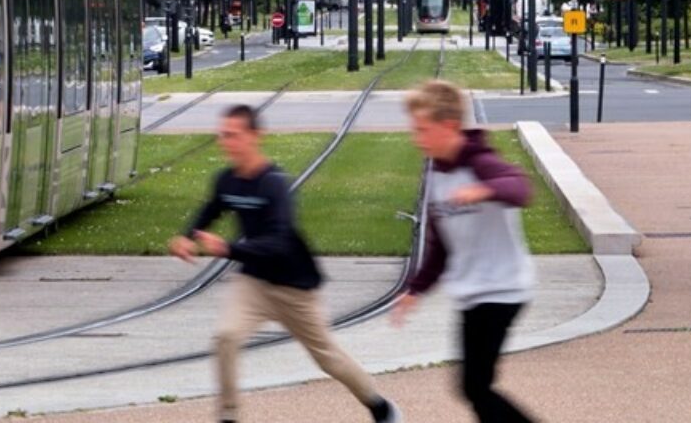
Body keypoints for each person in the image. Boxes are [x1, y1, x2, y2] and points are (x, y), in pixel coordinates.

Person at [172, 104, 400, 423]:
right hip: (253, 282)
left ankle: (380, 407)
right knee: (226, 336)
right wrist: (187, 236)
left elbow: (278, 243)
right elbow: (211, 209)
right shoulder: (227, 180)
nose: (226, 141)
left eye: (233, 135)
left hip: (293, 286)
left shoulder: (274, 183)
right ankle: (228, 416)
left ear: (255, 136)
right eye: (223, 135)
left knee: (327, 358)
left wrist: (228, 249)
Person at [393, 80, 536, 423]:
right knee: (473, 388)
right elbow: (440, 244)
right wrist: (416, 289)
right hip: (474, 292)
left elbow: (519, 189)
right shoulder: (435, 173)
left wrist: (484, 191)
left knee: (475, 386)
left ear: (449, 126)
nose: (417, 138)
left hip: (503, 288)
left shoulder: (481, 162)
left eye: (423, 129)